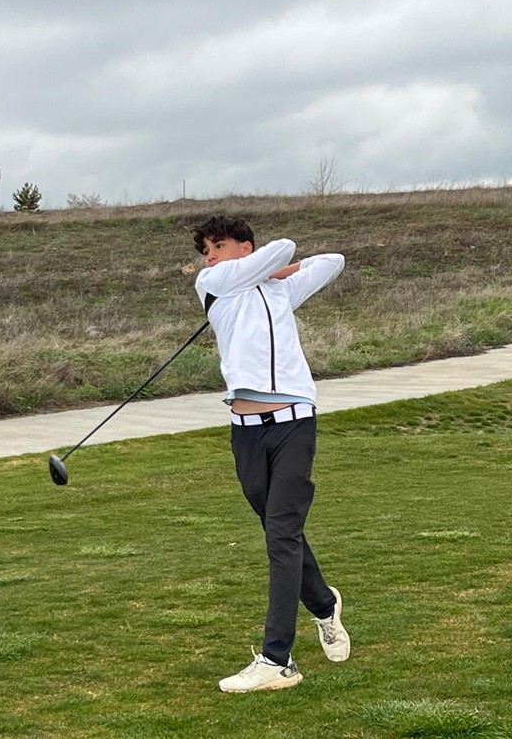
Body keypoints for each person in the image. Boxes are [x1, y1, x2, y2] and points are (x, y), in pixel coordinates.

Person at [191, 215, 350, 693]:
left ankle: (278, 661)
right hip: (245, 434)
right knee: (281, 531)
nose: (209, 256)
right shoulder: (213, 284)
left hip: (294, 423)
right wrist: (266, 266)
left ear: (245, 247)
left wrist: (276, 272)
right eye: (205, 250)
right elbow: (277, 251)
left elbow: (327, 259)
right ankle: (324, 605)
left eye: (218, 246)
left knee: (281, 534)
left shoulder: (278, 290)